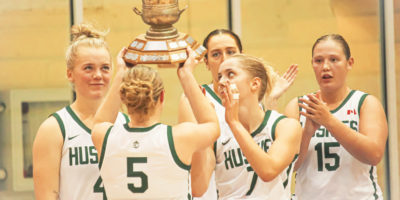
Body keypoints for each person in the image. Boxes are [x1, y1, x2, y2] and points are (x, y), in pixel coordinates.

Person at [178, 29, 298, 199]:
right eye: (220, 76)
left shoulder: (285, 126)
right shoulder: (215, 129)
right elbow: (197, 187)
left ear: (254, 84)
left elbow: (268, 170)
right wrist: (185, 75)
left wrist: (233, 121)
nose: (222, 82)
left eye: (230, 74)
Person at [90, 47, 220, 199]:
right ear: (162, 96)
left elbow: (100, 121)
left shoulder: (104, 136)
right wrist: (186, 74)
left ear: (123, 97)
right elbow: (212, 125)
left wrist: (121, 73)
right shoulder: (179, 138)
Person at [285, 34, 388, 200]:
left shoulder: (365, 103)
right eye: (318, 61)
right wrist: (307, 134)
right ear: (312, 64)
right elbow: (288, 166)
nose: (325, 66)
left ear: (350, 63)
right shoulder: (297, 106)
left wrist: (329, 121)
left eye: (334, 59)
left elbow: (374, 155)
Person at [32, 23, 129, 200]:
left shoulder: (128, 124)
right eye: (88, 68)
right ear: (70, 74)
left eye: (105, 68)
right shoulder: (54, 129)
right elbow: (47, 195)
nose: (98, 75)